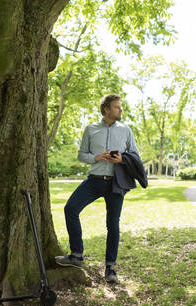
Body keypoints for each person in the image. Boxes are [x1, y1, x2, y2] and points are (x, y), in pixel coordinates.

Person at [55, 94, 140, 284]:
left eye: (120, 107)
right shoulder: (91, 129)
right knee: (70, 209)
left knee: (113, 224)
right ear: (106, 109)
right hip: (94, 180)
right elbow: (81, 154)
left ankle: (110, 268)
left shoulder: (126, 131)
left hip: (116, 183)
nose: (120, 110)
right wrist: (96, 157)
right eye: (117, 107)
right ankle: (77, 255)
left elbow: (135, 155)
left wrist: (122, 159)